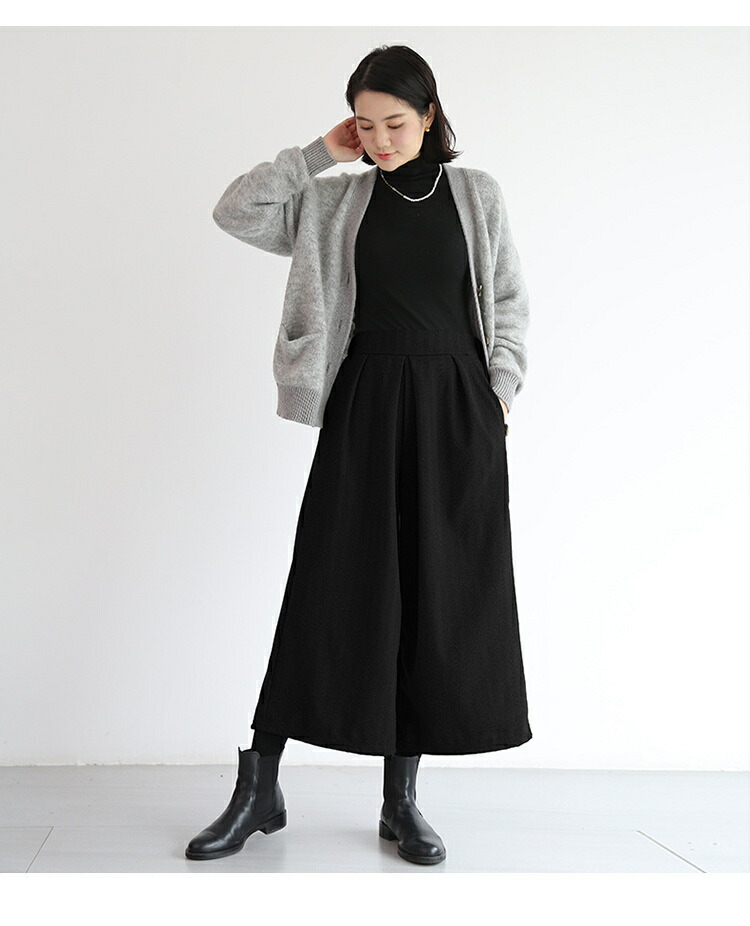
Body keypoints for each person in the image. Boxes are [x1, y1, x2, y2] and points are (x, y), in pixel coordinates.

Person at [186, 43, 532, 867]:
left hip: (457, 410)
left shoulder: (477, 195)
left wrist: (498, 394)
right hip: (365, 401)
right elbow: (234, 212)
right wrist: (316, 154)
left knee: (432, 595)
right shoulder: (335, 201)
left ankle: (400, 800)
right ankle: (259, 787)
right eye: (364, 125)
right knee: (328, 584)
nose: (379, 140)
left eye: (395, 123)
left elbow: (509, 300)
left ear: (431, 115)